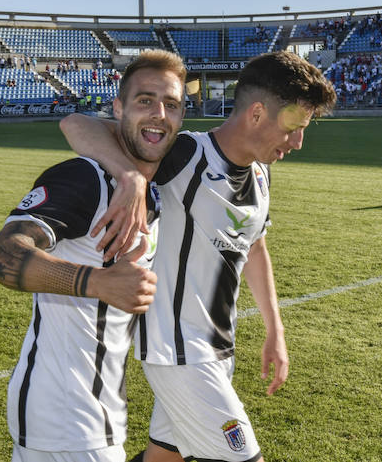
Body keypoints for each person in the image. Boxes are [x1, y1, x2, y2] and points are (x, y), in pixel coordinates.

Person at [60, 51, 337, 462]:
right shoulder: (186, 154)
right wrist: (131, 174)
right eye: (295, 125)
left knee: (164, 456)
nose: (298, 141)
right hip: (179, 352)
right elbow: (76, 124)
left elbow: (255, 247)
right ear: (257, 113)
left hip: (217, 348)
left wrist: (274, 331)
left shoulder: (261, 175)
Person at [0, 50, 187, 462]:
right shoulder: (85, 179)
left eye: (171, 105)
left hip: (100, 415)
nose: (159, 114)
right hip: (62, 422)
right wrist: (97, 283)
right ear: (117, 109)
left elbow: (77, 124)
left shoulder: (161, 188)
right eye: (144, 101)